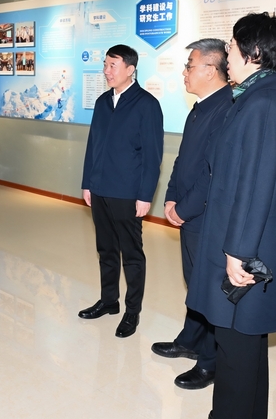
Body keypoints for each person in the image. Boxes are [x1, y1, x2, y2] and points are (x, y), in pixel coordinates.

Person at [185, 13, 276, 418]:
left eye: (231, 46)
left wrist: (238, 254)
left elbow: (256, 184)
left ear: (254, 51)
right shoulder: (253, 97)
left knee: (236, 349)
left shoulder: (262, 103)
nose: (227, 54)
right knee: (245, 347)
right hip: (238, 240)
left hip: (242, 250)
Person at [151, 39, 232, 390]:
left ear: (210, 70)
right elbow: (184, 160)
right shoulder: (200, 107)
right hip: (189, 212)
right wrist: (171, 197)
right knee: (195, 281)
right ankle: (191, 340)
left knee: (210, 287)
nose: (184, 72)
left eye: (190, 65)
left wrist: (183, 209)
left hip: (206, 216)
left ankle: (210, 362)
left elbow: (212, 173)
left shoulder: (226, 108)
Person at [79, 44, 164, 338]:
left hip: (128, 193)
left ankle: (132, 311)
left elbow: (153, 156)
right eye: (105, 65)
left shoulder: (147, 105)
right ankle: (108, 301)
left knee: (131, 254)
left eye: (112, 65)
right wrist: (87, 182)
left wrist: (145, 196)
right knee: (105, 249)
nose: (106, 71)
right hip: (100, 188)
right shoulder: (103, 102)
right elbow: (93, 144)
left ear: (130, 69)